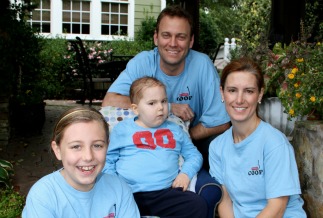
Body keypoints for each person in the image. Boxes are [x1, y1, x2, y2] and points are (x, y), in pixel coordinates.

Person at [102, 5, 231, 170]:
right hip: (145, 142)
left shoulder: (202, 64)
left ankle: (217, 191)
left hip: (192, 143)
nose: (173, 43)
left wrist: (179, 137)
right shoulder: (142, 63)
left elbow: (221, 122)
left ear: (190, 41)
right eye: (166, 35)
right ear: (156, 38)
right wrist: (169, 107)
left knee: (222, 144)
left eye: (181, 37)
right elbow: (110, 101)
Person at [209, 57, 307, 217]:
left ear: (260, 94)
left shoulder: (275, 143)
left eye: (249, 91)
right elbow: (225, 201)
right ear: (222, 93)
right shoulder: (217, 146)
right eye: (232, 90)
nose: (239, 99)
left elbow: (277, 208)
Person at [103, 77, 208, 217]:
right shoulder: (122, 129)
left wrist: (185, 174)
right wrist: (115, 186)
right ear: (135, 109)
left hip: (165, 193)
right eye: (152, 103)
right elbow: (108, 159)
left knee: (197, 205)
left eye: (164, 101)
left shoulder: (175, 129)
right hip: (129, 193)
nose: (160, 107)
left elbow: (194, 155)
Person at [22, 107, 140, 218]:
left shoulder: (120, 189)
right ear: (57, 150)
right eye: (76, 146)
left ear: (107, 146)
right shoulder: (43, 196)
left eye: (97, 145)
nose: (88, 157)